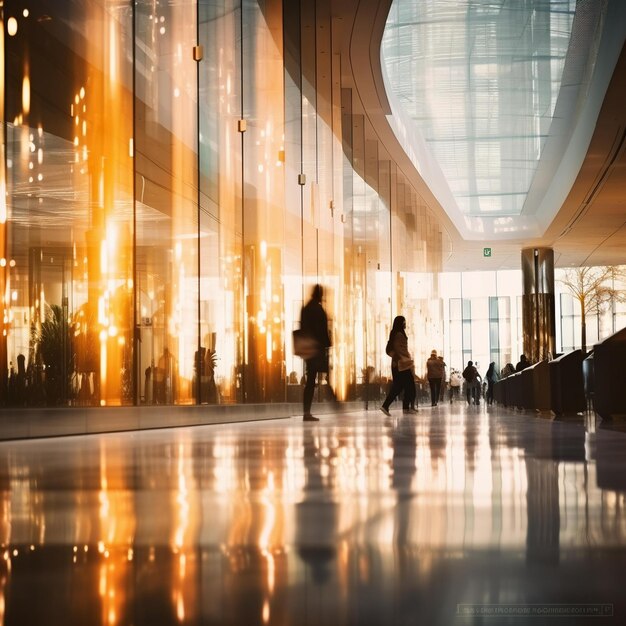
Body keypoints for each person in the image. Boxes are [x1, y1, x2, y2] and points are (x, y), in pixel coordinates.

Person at [300, 284, 337, 421]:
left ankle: (306, 411)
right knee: (325, 376)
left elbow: (304, 328)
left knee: (311, 380)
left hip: (309, 349)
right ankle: (334, 402)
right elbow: (321, 331)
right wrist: (328, 343)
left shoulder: (306, 309)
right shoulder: (317, 309)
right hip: (317, 349)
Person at [380, 316, 417, 416]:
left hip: (400, 364)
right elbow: (398, 349)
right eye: (404, 322)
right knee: (409, 385)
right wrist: (403, 358)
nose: (405, 324)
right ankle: (404, 408)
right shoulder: (398, 334)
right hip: (402, 364)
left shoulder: (396, 333)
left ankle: (387, 406)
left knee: (399, 387)